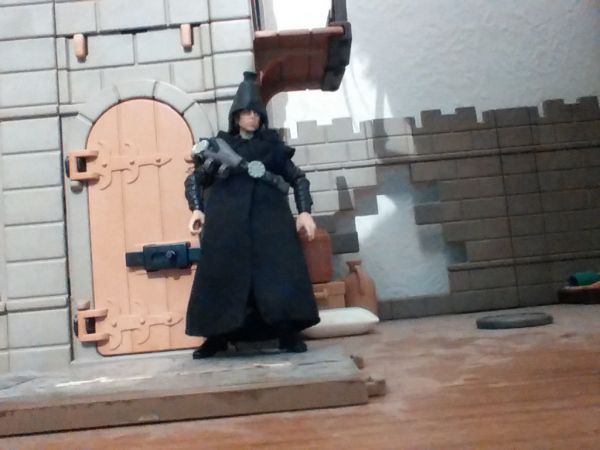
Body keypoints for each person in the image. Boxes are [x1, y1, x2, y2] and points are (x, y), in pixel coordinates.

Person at [184, 71, 320, 359]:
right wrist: (197, 207)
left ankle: (287, 332)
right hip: (228, 228)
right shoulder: (221, 148)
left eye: (256, 113)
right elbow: (197, 179)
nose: (251, 118)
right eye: (246, 113)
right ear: (236, 117)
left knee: (277, 278)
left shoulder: (272, 148)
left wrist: (304, 212)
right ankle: (217, 337)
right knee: (223, 280)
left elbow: (297, 178)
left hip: (270, 227)